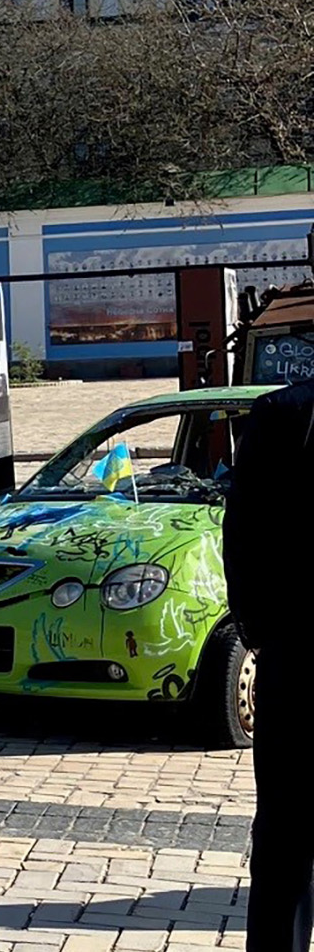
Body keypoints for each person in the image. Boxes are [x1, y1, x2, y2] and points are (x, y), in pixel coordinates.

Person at [224, 376, 314, 951]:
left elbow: (242, 533)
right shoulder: (282, 415)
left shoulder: (281, 413)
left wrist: (258, 631)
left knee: (285, 838)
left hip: (297, 658)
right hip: (294, 655)